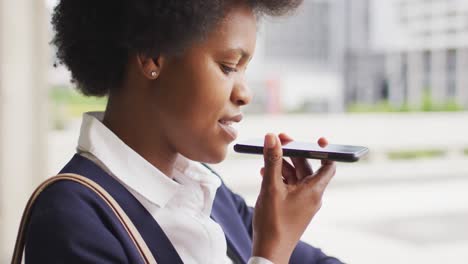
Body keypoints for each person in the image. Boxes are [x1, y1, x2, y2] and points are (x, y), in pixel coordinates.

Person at [25, 0, 342, 263]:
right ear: (152, 57)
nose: (245, 93)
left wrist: (281, 225)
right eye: (229, 66)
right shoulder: (71, 219)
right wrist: (272, 253)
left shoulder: (208, 195)